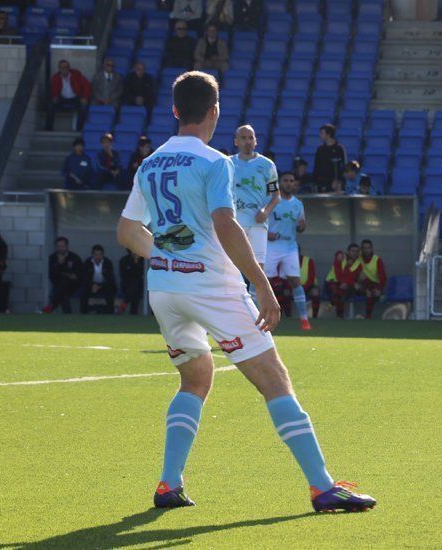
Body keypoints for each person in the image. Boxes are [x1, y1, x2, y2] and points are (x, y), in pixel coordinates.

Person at [116, 70, 375, 511]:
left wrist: (162, 256)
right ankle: (322, 487)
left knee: (195, 377)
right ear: (214, 111)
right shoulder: (215, 161)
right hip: (211, 285)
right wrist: (261, 285)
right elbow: (225, 222)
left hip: (162, 287)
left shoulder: (151, 162)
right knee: (274, 378)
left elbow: (126, 230)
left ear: (175, 110)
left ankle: (168, 484)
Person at [265, 172, 312, 330]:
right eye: (285, 180)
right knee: (265, 282)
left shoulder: (298, 204)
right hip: (271, 246)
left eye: (292, 181)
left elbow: (301, 226)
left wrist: (302, 226)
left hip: (290, 247)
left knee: (295, 281)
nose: (289, 183)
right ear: (279, 183)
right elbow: (258, 221)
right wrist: (267, 234)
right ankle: (260, 317)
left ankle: (304, 320)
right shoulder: (270, 201)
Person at [231, 125, 278, 278]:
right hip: (235, 223)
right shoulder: (228, 164)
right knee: (232, 268)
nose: (248, 141)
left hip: (258, 225)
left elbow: (275, 196)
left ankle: (257, 302)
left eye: (251, 138)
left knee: (258, 270)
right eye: (243, 138)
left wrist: (266, 211)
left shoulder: (267, 165)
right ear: (236, 142)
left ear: (256, 141)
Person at [46, 59, 90, 131]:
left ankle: (79, 128)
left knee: (84, 105)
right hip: (62, 98)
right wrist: (54, 97)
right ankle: (48, 128)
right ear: (59, 69)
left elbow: (86, 86)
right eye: (62, 67)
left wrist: (85, 97)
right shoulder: (55, 78)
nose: (64, 69)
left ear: (69, 68)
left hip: (75, 98)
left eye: (66, 67)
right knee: (51, 105)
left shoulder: (76, 75)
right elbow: (52, 91)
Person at [44, 236, 82, 314]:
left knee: (65, 281)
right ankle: (67, 316)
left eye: (62, 246)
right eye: (58, 246)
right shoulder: (52, 258)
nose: (60, 248)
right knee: (64, 293)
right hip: (58, 284)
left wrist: (72, 275)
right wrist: (59, 264)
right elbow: (51, 274)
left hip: (73, 285)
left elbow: (80, 273)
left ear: (67, 246)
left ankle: (52, 305)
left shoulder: (74, 257)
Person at [325, 244, 362, 319]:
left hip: (344, 284)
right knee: (340, 289)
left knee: (343, 292)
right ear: (348, 252)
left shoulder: (358, 264)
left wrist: (350, 282)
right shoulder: (341, 257)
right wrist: (352, 283)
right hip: (332, 281)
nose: (355, 253)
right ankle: (339, 316)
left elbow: (351, 277)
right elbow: (338, 275)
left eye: (357, 251)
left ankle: (333, 306)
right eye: (352, 251)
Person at [80, 244, 117, 314]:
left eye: (100, 254)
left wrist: (100, 286)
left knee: (110, 292)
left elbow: (110, 278)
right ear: (92, 254)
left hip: (104, 285)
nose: (98, 256)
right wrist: (92, 285)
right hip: (91, 285)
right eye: (96, 254)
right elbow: (85, 278)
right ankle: (83, 313)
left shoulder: (107, 263)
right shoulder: (87, 262)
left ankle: (110, 313)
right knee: (83, 292)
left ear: (103, 255)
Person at [356, 239, 387, 319]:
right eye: (364, 248)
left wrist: (379, 289)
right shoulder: (358, 258)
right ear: (361, 249)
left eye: (368, 248)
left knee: (369, 292)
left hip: (374, 285)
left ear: (372, 249)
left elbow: (382, 277)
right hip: (361, 285)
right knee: (361, 275)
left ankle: (367, 317)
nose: (366, 250)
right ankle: (368, 316)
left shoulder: (377, 259)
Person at [313, 124, 346, 193]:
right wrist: (315, 182)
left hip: (335, 185)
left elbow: (343, 166)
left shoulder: (339, 148)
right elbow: (316, 167)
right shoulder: (320, 149)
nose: (320, 135)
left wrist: (339, 181)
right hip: (321, 183)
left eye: (322, 133)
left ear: (328, 134)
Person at [119, 248, 145, 315]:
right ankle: (133, 312)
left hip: (140, 286)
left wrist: (136, 261)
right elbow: (123, 276)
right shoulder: (124, 260)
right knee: (134, 286)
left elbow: (140, 274)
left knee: (136, 283)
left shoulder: (143, 260)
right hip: (127, 286)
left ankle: (125, 302)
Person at [299, 248, 320, 318]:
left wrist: (303, 288)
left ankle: (315, 316)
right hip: (294, 287)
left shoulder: (308, 261)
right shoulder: (287, 261)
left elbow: (311, 278)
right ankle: (287, 316)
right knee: (285, 292)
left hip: (309, 286)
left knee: (315, 293)